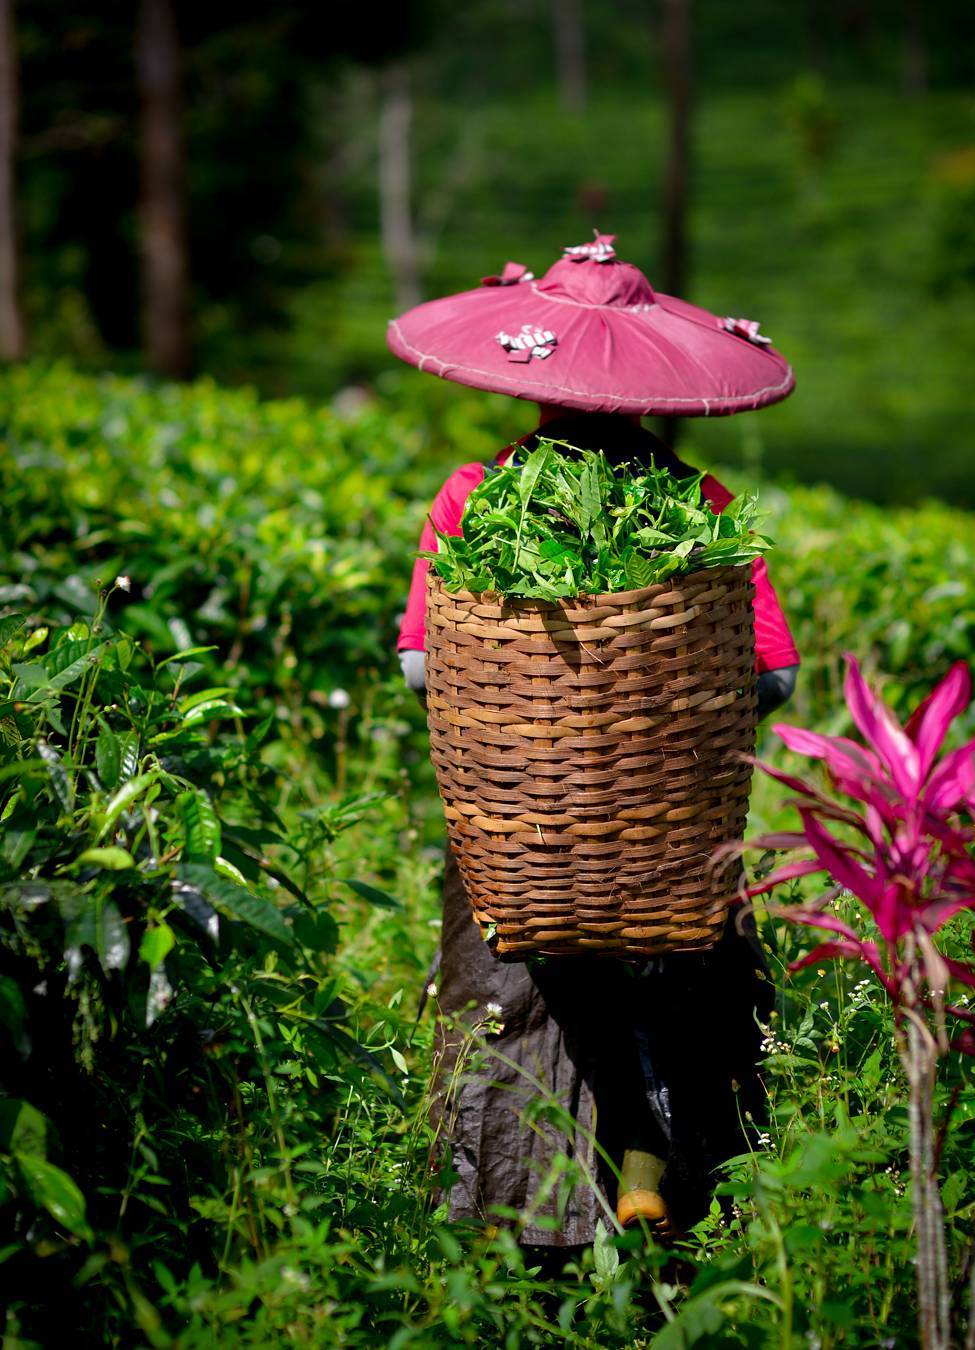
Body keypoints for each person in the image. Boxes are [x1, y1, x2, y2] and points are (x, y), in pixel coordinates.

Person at [388, 234, 799, 1249]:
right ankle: (668, 1185)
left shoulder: (473, 496)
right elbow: (772, 675)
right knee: (686, 973)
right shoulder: (699, 506)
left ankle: (519, 1239)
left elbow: (420, 667)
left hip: (522, 837)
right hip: (667, 839)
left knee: (520, 981)